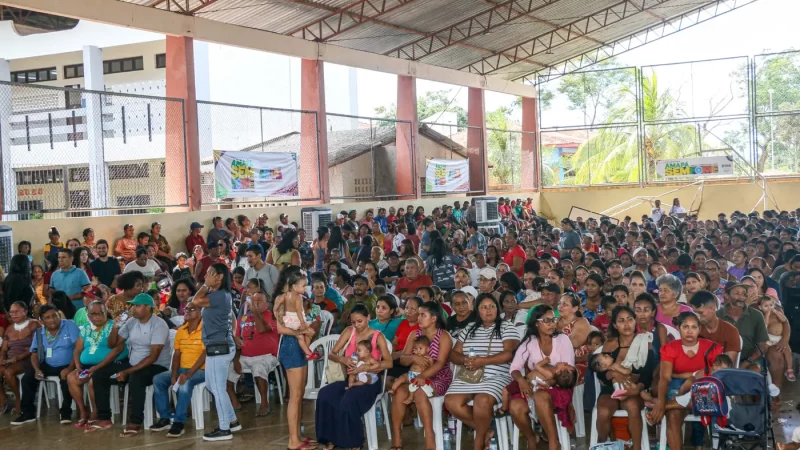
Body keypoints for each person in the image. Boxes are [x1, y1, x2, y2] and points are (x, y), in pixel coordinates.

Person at [445, 294, 520, 450]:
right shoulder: (470, 327)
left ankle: (478, 444)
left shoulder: (507, 326)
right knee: (451, 401)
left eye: (492, 306)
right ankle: (486, 431)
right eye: (484, 307)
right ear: (477, 310)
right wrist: (466, 360)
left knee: (482, 400)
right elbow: (453, 354)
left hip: (497, 375)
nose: (488, 310)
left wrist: (483, 361)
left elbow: (509, 354)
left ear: (497, 309)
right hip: (469, 375)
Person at [648, 312, 722, 450]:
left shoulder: (712, 348)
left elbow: (715, 373)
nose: (689, 331)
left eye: (694, 327)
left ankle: (666, 406)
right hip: (676, 390)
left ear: (700, 329)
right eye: (685, 326)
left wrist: (661, 404)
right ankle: (669, 406)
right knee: (673, 418)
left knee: (699, 397)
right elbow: (664, 378)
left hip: (704, 392)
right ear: (678, 328)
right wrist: (662, 398)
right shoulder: (670, 348)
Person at [185, 263, 240, 441]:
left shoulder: (220, 295)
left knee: (217, 388)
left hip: (220, 348)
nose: (206, 275)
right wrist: (207, 286)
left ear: (219, 277)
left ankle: (224, 429)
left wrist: (204, 286)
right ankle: (232, 420)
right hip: (215, 347)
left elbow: (194, 301)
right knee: (212, 385)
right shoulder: (218, 295)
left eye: (210, 273)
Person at [508, 305, 576, 450]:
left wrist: (548, 380)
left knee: (540, 396)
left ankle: (553, 442)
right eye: (546, 320)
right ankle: (532, 437)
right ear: (536, 323)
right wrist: (521, 380)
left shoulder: (563, 339)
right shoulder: (530, 342)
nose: (552, 323)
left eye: (553, 319)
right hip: (534, 384)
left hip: (560, 386)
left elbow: (568, 372)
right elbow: (514, 368)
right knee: (515, 406)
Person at [390, 301, 453, 450]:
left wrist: (423, 377)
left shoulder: (443, 336)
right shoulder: (415, 334)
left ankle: (429, 435)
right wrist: (414, 358)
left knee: (419, 392)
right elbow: (404, 359)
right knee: (399, 392)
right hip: (414, 376)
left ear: (434, 318)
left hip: (439, 378)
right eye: (418, 314)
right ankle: (397, 438)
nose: (418, 318)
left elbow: (440, 363)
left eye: (422, 315)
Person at [107, 293, 170, 437]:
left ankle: (136, 421)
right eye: (133, 305)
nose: (133, 308)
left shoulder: (159, 324)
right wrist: (115, 327)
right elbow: (112, 344)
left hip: (157, 366)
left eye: (137, 305)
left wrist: (127, 372)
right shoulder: (131, 322)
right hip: (134, 363)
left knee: (136, 378)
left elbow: (153, 357)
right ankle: (103, 417)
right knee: (102, 373)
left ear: (148, 308)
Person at [595, 306, 657, 450]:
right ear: (615, 325)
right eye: (621, 321)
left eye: (630, 319)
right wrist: (613, 374)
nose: (627, 324)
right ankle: (603, 445)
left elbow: (648, 372)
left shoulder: (643, 341)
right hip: (611, 387)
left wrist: (638, 388)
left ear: (635, 321)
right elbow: (600, 370)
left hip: (636, 386)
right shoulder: (610, 343)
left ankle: (637, 447)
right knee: (603, 411)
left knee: (633, 406)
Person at [11, 304, 80, 425]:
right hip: (48, 364)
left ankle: (65, 412)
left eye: (55, 315)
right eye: (48, 317)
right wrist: (37, 369)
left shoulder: (69, 325)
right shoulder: (39, 332)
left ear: (59, 315)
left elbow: (78, 348)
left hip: (68, 364)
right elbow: (34, 353)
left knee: (66, 379)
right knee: (27, 378)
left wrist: (70, 367)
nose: (52, 319)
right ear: (42, 321)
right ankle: (27, 413)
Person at [274, 266, 318, 450]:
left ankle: (298, 435)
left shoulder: (297, 298)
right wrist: (301, 331)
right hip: (290, 346)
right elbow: (280, 329)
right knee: (295, 396)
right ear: (291, 283)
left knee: (299, 395)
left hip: (297, 345)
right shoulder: (281, 299)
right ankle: (293, 441)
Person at [67, 301, 128, 430]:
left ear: (106, 313)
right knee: (71, 378)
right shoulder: (86, 328)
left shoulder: (115, 326)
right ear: (88, 316)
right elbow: (77, 350)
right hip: (87, 366)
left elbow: (117, 350)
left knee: (94, 380)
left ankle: (96, 413)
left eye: (101, 313)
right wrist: (78, 366)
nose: (97, 316)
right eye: (93, 314)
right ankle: (83, 411)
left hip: (108, 365)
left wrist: (97, 367)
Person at [150, 303, 206, 437]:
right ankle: (165, 417)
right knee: (158, 379)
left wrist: (188, 373)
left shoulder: (205, 328)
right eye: (186, 308)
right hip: (182, 369)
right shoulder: (181, 330)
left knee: (185, 384)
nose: (187, 311)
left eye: (192, 309)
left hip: (201, 370)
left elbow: (205, 354)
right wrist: (174, 374)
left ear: (200, 312)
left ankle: (179, 422)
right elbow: (177, 354)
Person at [227, 286, 279, 416]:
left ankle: (264, 404)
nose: (254, 303)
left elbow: (262, 329)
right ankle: (235, 403)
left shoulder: (271, 316)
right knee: (227, 369)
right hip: (245, 356)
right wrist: (236, 359)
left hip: (267, 356)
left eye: (259, 300)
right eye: (253, 300)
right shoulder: (243, 319)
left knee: (258, 367)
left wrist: (255, 312)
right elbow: (237, 340)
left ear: (267, 305)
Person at [274, 271, 320, 360]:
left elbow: (277, 303)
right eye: (304, 286)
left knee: (304, 335)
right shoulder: (298, 297)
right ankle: (307, 352)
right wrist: (302, 323)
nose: (305, 288)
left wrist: (275, 311)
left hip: (288, 320)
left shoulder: (285, 295)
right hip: (296, 320)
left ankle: (306, 351)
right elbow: (299, 312)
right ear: (295, 287)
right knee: (306, 334)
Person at [689, 290, 741, 362]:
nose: (697, 316)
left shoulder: (730, 331)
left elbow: (729, 365)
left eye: (700, 312)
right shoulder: (692, 329)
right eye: (695, 313)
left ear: (712, 308)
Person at [556, 293, 591, 384]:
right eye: (560, 303)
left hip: (578, 362)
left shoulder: (581, 322)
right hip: (558, 361)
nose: (560, 306)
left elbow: (573, 344)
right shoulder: (555, 321)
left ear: (575, 309)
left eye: (565, 304)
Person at [759, 295, 795, 382]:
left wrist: (776, 312)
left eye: (771, 305)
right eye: (766, 306)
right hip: (769, 338)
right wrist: (767, 314)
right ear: (760, 307)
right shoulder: (763, 315)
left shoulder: (776, 314)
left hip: (779, 337)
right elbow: (765, 325)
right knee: (763, 349)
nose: (769, 308)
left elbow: (784, 320)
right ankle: (763, 364)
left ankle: (789, 370)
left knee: (788, 351)